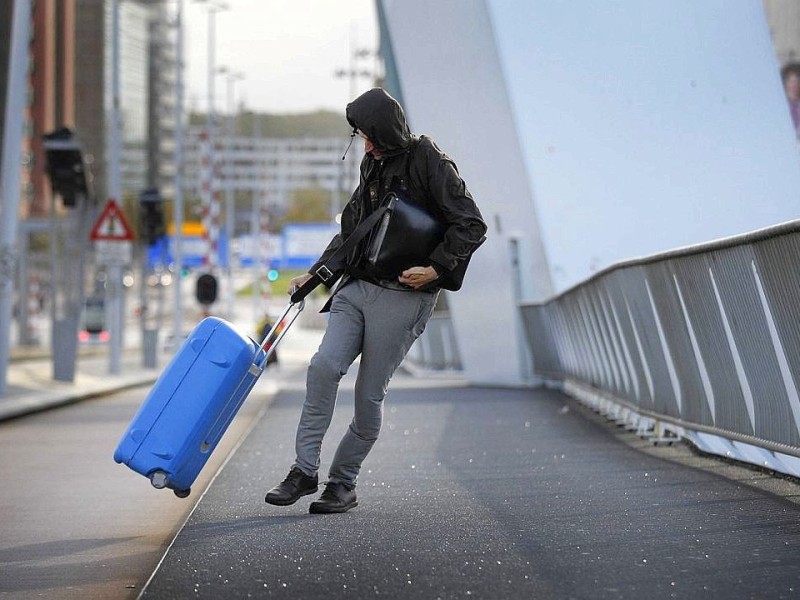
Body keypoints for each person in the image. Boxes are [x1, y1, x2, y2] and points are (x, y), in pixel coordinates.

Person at [264, 88, 487, 514]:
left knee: (367, 398)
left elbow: (471, 225)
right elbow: (353, 228)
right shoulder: (372, 162)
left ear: (386, 131)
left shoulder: (428, 160)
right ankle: (303, 471)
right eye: (361, 137)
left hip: (404, 296)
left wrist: (436, 269)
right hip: (357, 288)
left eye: (369, 136)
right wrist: (315, 273)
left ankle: (342, 483)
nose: (365, 145)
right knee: (323, 367)